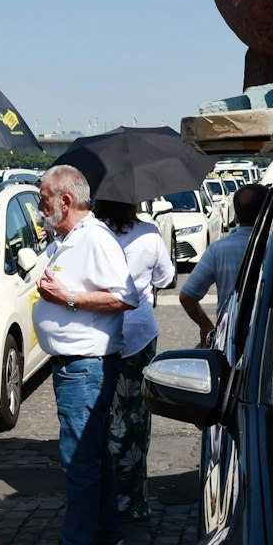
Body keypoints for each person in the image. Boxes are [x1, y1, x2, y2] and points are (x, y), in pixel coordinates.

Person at [27, 165, 136, 545]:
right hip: (77, 366)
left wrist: (67, 297)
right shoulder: (70, 238)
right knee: (93, 460)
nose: (39, 208)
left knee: (80, 464)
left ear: (64, 201)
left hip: (85, 367)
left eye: (42, 200)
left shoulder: (94, 237)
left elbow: (124, 296)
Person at [96, 198, 172, 523]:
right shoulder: (150, 233)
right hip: (139, 332)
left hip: (100, 334)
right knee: (136, 418)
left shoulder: (92, 234)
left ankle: (103, 498)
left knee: (103, 417)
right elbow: (165, 279)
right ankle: (134, 501)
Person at [179, 184, 268, 347]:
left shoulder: (218, 249)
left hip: (230, 339)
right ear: (268, 210)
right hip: (270, 334)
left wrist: (205, 325)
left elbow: (186, 296)